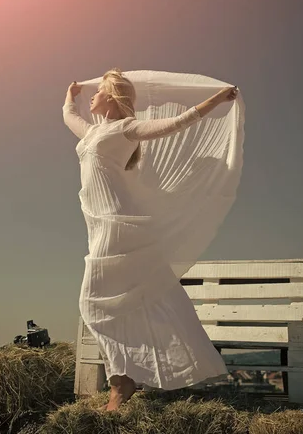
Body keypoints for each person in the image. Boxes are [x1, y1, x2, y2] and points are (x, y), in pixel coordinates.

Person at [63, 68, 239, 411]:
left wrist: (217, 100)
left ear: (112, 97)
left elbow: (176, 124)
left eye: (97, 91)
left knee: (90, 302)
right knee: (120, 301)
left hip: (116, 221)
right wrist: (72, 93)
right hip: (98, 224)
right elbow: (68, 114)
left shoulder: (125, 129)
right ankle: (127, 376)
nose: (92, 96)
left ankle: (121, 382)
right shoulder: (91, 133)